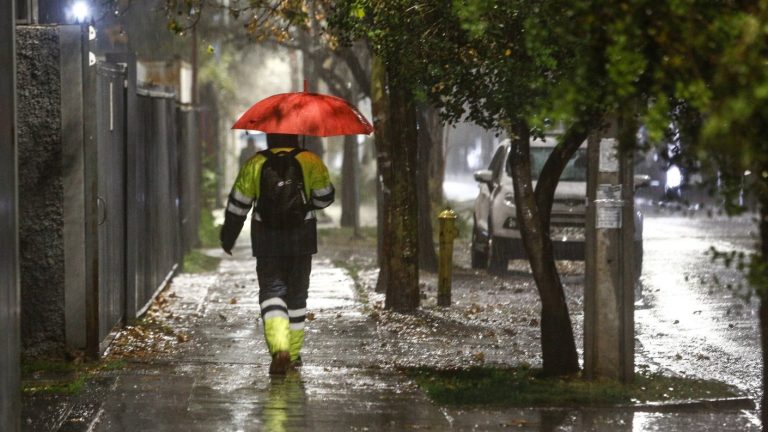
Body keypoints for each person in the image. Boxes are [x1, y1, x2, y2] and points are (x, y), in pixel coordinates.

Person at [220, 133, 335, 374]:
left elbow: (238, 204)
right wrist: (306, 201)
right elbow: (325, 197)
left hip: (267, 238)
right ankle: (292, 355)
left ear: (270, 136)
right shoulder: (309, 160)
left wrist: (228, 237)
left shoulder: (255, 163)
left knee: (272, 291)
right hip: (301, 237)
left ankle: (279, 347)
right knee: (296, 296)